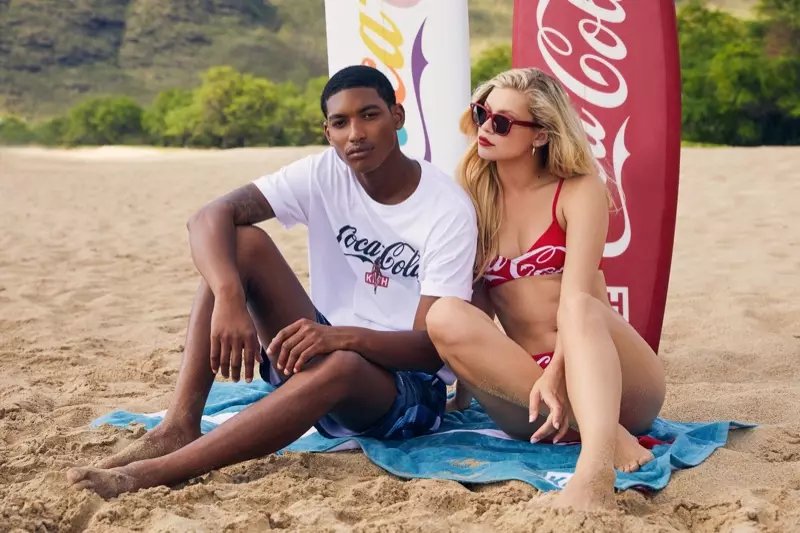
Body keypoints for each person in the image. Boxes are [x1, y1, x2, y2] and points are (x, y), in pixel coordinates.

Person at [67, 65, 478, 499]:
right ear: (327, 132)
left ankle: (157, 472)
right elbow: (208, 216)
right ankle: (178, 426)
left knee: (344, 363)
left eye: (369, 115)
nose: (355, 132)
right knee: (241, 244)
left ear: (396, 117)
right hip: (317, 350)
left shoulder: (445, 209)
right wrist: (229, 296)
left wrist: (343, 338)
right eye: (340, 122)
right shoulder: (324, 173)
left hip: (404, 390)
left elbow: (430, 349)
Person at [424, 68, 667, 511]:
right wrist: (465, 393)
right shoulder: (474, 197)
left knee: (579, 304)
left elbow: (580, 293)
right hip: (532, 400)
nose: (484, 128)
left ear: (539, 135)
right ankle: (604, 433)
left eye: (501, 122)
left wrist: (559, 373)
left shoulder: (579, 190)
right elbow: (477, 312)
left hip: (613, 383)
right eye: (481, 114)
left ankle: (596, 466)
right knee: (443, 313)